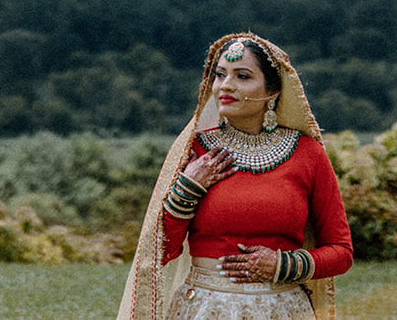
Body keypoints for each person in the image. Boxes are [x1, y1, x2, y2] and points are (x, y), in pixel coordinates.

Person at [118, 32, 353, 320]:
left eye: (242, 76)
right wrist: (189, 187)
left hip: (281, 309)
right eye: (219, 75)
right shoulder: (194, 150)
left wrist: (282, 265)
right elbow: (160, 252)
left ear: (273, 92)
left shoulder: (307, 153)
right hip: (205, 308)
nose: (225, 86)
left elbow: (341, 251)